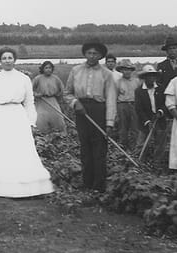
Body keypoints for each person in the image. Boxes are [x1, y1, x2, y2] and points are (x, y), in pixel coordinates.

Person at [0, 47, 55, 198]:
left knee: (20, 149)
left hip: (17, 116)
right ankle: (0, 186)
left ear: (14, 59)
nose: (7, 60)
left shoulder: (23, 79)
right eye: (4, 58)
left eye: (10, 58)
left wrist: (31, 122)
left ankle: (23, 185)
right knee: (1, 150)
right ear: (0, 60)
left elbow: (29, 103)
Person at [63, 40, 117, 192]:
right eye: (89, 53)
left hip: (99, 110)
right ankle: (87, 184)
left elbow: (111, 99)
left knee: (99, 150)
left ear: (101, 56)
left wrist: (109, 122)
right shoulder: (76, 70)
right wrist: (75, 103)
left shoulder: (107, 74)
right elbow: (67, 93)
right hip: (81, 111)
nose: (92, 56)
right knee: (85, 148)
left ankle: (98, 186)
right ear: (85, 54)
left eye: (96, 54)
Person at [134, 65, 167, 161]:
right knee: (141, 144)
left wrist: (161, 112)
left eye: (153, 76)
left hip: (159, 119)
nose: (151, 78)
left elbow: (166, 103)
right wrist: (147, 121)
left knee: (160, 143)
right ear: (144, 78)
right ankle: (140, 163)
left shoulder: (161, 89)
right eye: (148, 76)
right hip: (145, 121)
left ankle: (158, 163)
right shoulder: (139, 91)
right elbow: (139, 109)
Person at [32, 61, 66, 134]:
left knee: (58, 119)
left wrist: (58, 94)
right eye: (46, 68)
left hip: (53, 101)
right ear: (43, 69)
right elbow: (30, 90)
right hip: (41, 102)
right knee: (41, 120)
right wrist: (36, 94)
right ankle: (42, 137)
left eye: (50, 68)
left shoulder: (56, 79)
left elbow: (62, 89)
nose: (48, 70)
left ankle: (59, 136)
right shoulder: (38, 78)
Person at [114, 59, 141, 149]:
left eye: (129, 69)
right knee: (123, 127)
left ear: (132, 70)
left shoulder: (137, 81)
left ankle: (134, 147)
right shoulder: (118, 82)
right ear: (121, 71)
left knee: (135, 127)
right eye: (124, 69)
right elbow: (114, 97)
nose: (127, 71)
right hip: (122, 105)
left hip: (134, 105)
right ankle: (123, 146)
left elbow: (140, 94)